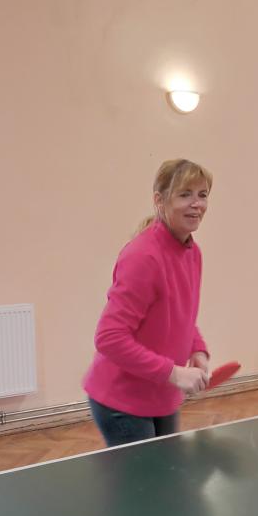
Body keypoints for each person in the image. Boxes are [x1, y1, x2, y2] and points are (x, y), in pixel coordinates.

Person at [84, 158, 212, 447]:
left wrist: (198, 348)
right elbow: (109, 337)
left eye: (202, 195)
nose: (197, 204)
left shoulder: (193, 253)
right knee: (147, 477)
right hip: (122, 401)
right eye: (185, 194)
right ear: (159, 200)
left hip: (161, 394)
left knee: (165, 473)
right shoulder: (143, 256)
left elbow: (180, 314)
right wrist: (174, 372)